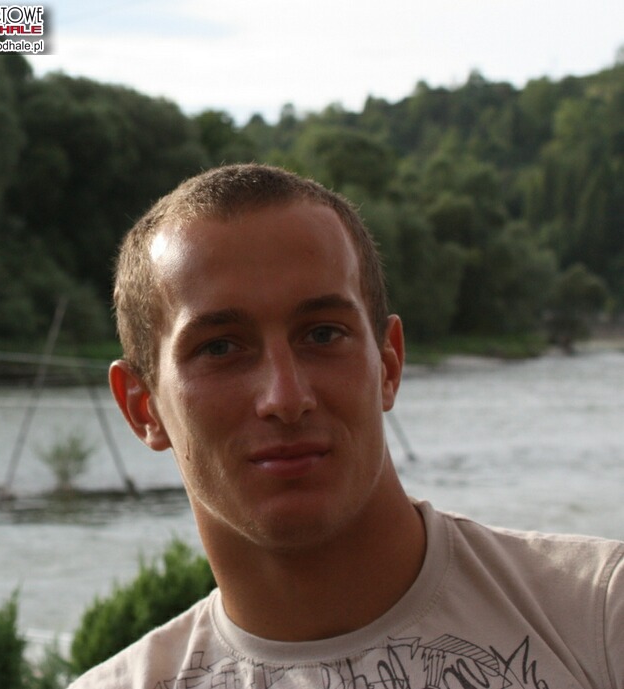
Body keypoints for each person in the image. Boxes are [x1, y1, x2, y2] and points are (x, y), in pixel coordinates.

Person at [70, 163, 623, 689]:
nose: (286, 398)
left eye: (323, 334)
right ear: (142, 407)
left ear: (388, 364)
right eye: (220, 348)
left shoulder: (599, 616)